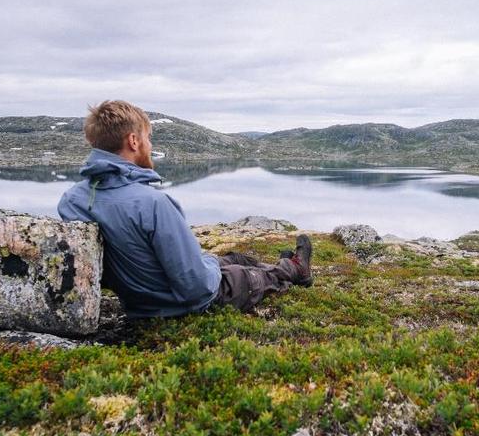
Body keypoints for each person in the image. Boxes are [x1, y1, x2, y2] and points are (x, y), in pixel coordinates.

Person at [57, 100, 313, 318]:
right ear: (133, 141)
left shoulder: (72, 200)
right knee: (243, 275)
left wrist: (208, 262)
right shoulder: (152, 204)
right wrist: (210, 264)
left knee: (233, 258)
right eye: (148, 138)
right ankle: (293, 270)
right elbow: (197, 288)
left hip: (141, 300)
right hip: (181, 304)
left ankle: (278, 265)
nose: (149, 145)